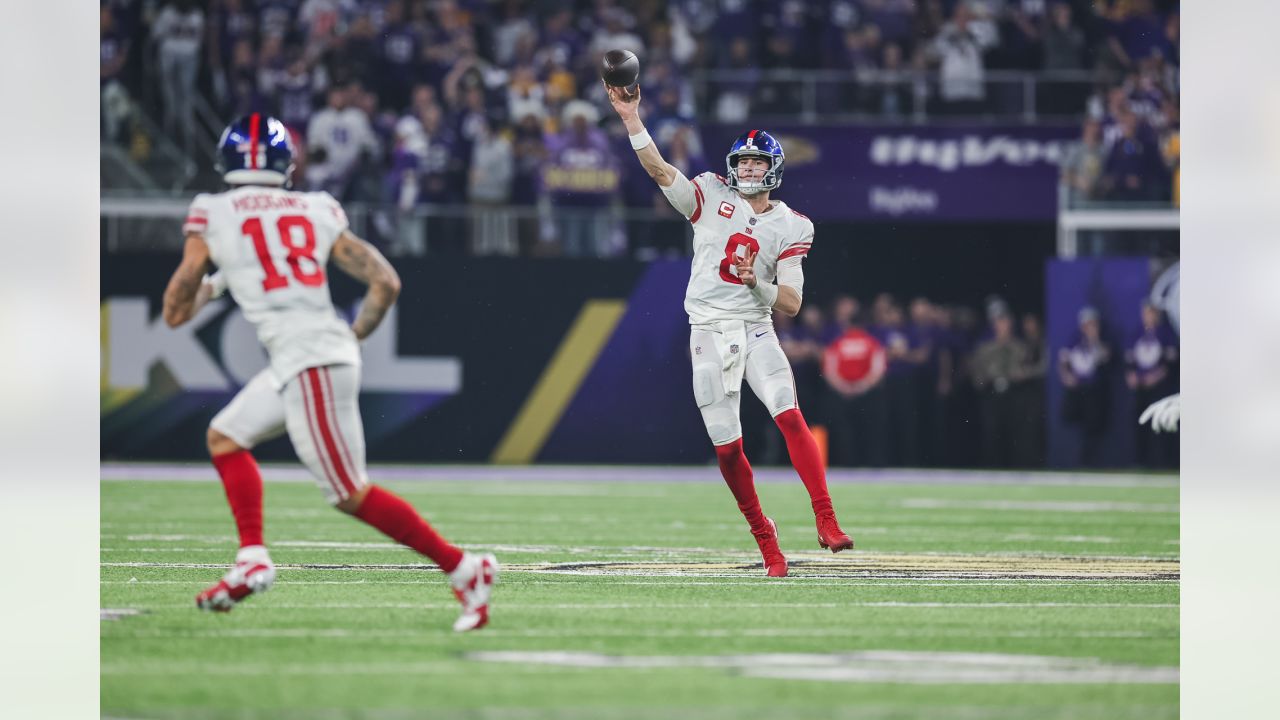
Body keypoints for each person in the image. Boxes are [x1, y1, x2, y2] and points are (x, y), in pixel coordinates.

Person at [162, 114, 497, 631]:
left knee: (348, 493)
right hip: (312, 355)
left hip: (309, 360)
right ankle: (252, 557)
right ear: (286, 164)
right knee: (226, 436)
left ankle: (464, 568)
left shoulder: (212, 211)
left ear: (226, 162)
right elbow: (385, 281)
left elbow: (177, 308)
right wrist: (353, 336)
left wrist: (210, 280)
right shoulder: (315, 207)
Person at [606, 82, 854, 578]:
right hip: (707, 329)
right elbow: (659, 170)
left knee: (788, 412)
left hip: (756, 325)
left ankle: (826, 519)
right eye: (741, 161)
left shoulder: (793, 225)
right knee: (727, 448)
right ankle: (766, 537)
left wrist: (755, 283)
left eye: (756, 162)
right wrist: (633, 119)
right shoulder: (710, 194)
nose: (746, 169)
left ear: (774, 169)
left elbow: (792, 302)